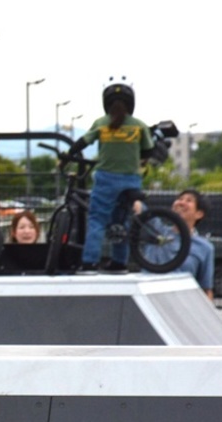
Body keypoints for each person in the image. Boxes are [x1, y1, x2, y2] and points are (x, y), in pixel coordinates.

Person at [68, 75, 155, 273]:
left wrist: (69, 154)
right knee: (122, 221)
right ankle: (119, 263)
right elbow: (148, 150)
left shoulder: (102, 123)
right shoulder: (138, 125)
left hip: (106, 178)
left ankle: (89, 262)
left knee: (98, 220)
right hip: (132, 180)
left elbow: (84, 142)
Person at [140, 190, 215, 300]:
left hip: (181, 303)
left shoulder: (204, 247)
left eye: (189, 200)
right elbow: (140, 209)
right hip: (149, 301)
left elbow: (205, 289)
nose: (181, 203)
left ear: (199, 213)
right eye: (179, 199)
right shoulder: (156, 232)